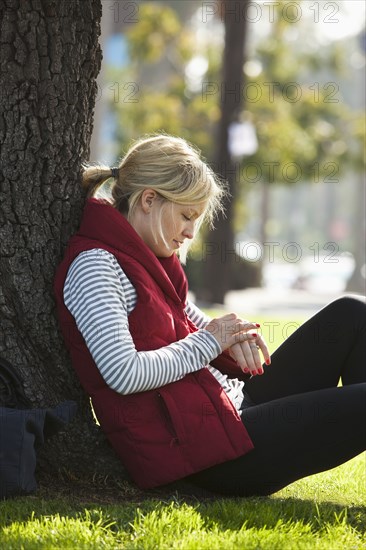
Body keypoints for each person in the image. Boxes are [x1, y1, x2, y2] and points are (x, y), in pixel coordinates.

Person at [54, 134, 366, 496]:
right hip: (209, 454)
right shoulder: (95, 266)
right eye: (187, 216)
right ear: (149, 200)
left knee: (353, 313)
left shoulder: (150, 261)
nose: (189, 233)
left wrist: (237, 337)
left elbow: (200, 326)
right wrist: (212, 340)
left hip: (227, 412)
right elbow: (124, 373)